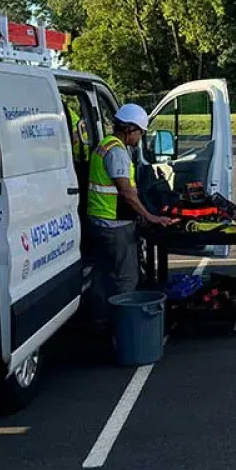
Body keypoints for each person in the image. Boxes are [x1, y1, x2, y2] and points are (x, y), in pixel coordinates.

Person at [86, 103, 175, 330]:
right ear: (128, 129)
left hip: (98, 220)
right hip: (114, 224)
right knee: (126, 277)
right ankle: (124, 328)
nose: (140, 138)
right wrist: (150, 216)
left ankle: (100, 321)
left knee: (102, 274)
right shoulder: (117, 152)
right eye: (140, 133)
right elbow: (126, 192)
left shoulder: (104, 145)